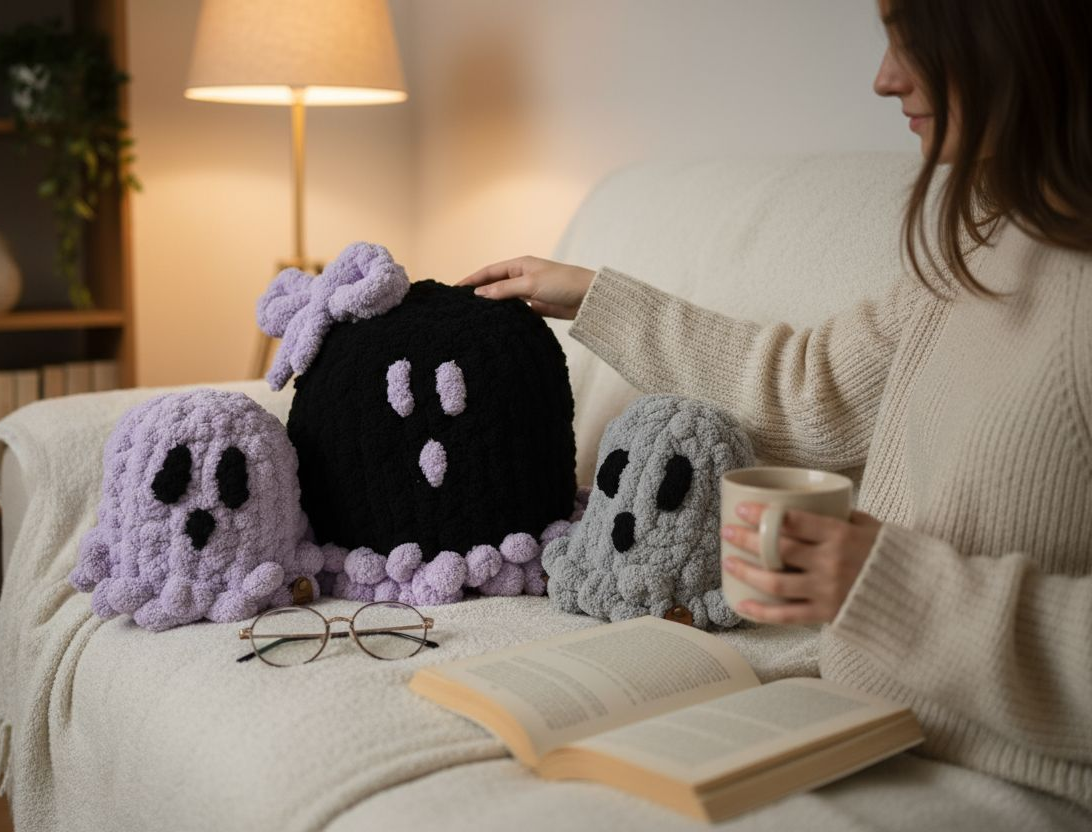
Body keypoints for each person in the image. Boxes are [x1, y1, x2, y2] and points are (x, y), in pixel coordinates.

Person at [459, 0, 1091, 811]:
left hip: (1010, 777)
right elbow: (809, 386)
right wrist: (592, 296)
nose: (883, 77)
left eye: (912, 38)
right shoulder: (982, 237)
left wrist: (886, 586)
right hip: (867, 723)